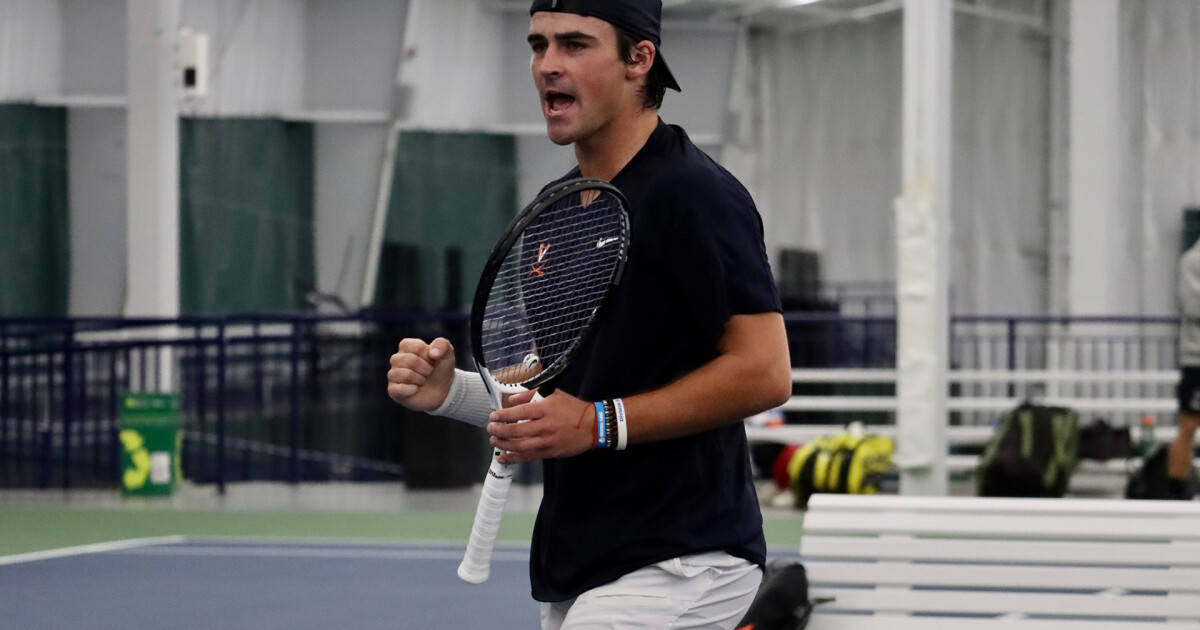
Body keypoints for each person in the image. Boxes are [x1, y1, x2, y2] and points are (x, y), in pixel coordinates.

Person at [387, 1, 792, 627]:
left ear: (639, 60)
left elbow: (765, 372)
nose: (548, 66)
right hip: (584, 561)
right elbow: (556, 399)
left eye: (575, 45)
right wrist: (453, 393)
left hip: (683, 561)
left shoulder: (697, 195)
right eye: (538, 45)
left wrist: (600, 423)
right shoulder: (557, 210)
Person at [1170, 240, 1200, 498]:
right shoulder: (1192, 261)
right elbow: (1194, 306)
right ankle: (1175, 490)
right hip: (1197, 358)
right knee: (1189, 424)